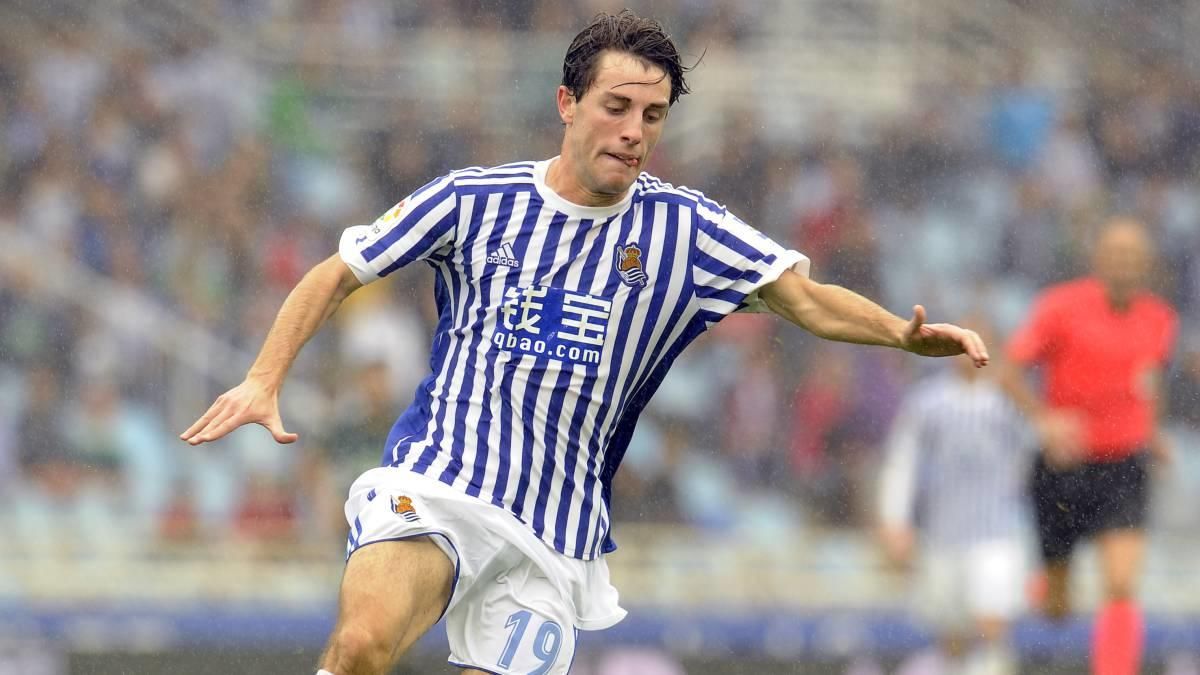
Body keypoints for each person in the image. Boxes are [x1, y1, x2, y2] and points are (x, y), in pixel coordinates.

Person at [180, 11, 988, 675]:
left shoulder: (686, 229)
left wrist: (899, 334)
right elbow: (338, 272)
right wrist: (263, 378)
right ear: (567, 102)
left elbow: (804, 299)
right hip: (438, 483)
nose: (635, 131)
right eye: (617, 107)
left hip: (553, 538)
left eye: (652, 116)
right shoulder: (474, 199)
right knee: (360, 645)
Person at [1002, 218, 1177, 675]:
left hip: (1124, 466)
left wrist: (1151, 432)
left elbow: (1149, 381)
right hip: (1064, 466)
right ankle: (1049, 584)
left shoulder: (1159, 319)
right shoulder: (1059, 307)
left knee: (1120, 583)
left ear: (1147, 264)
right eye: (1116, 253)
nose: (1125, 263)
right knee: (1057, 609)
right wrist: (1045, 420)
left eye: (1133, 255)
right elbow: (1009, 369)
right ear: (1098, 259)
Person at [878, 322, 1032, 675]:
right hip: (942, 535)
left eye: (980, 343)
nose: (970, 352)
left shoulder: (1009, 402)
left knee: (991, 628)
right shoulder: (928, 402)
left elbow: (1032, 457)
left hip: (997, 534)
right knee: (952, 638)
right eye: (962, 343)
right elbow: (902, 462)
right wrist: (895, 520)